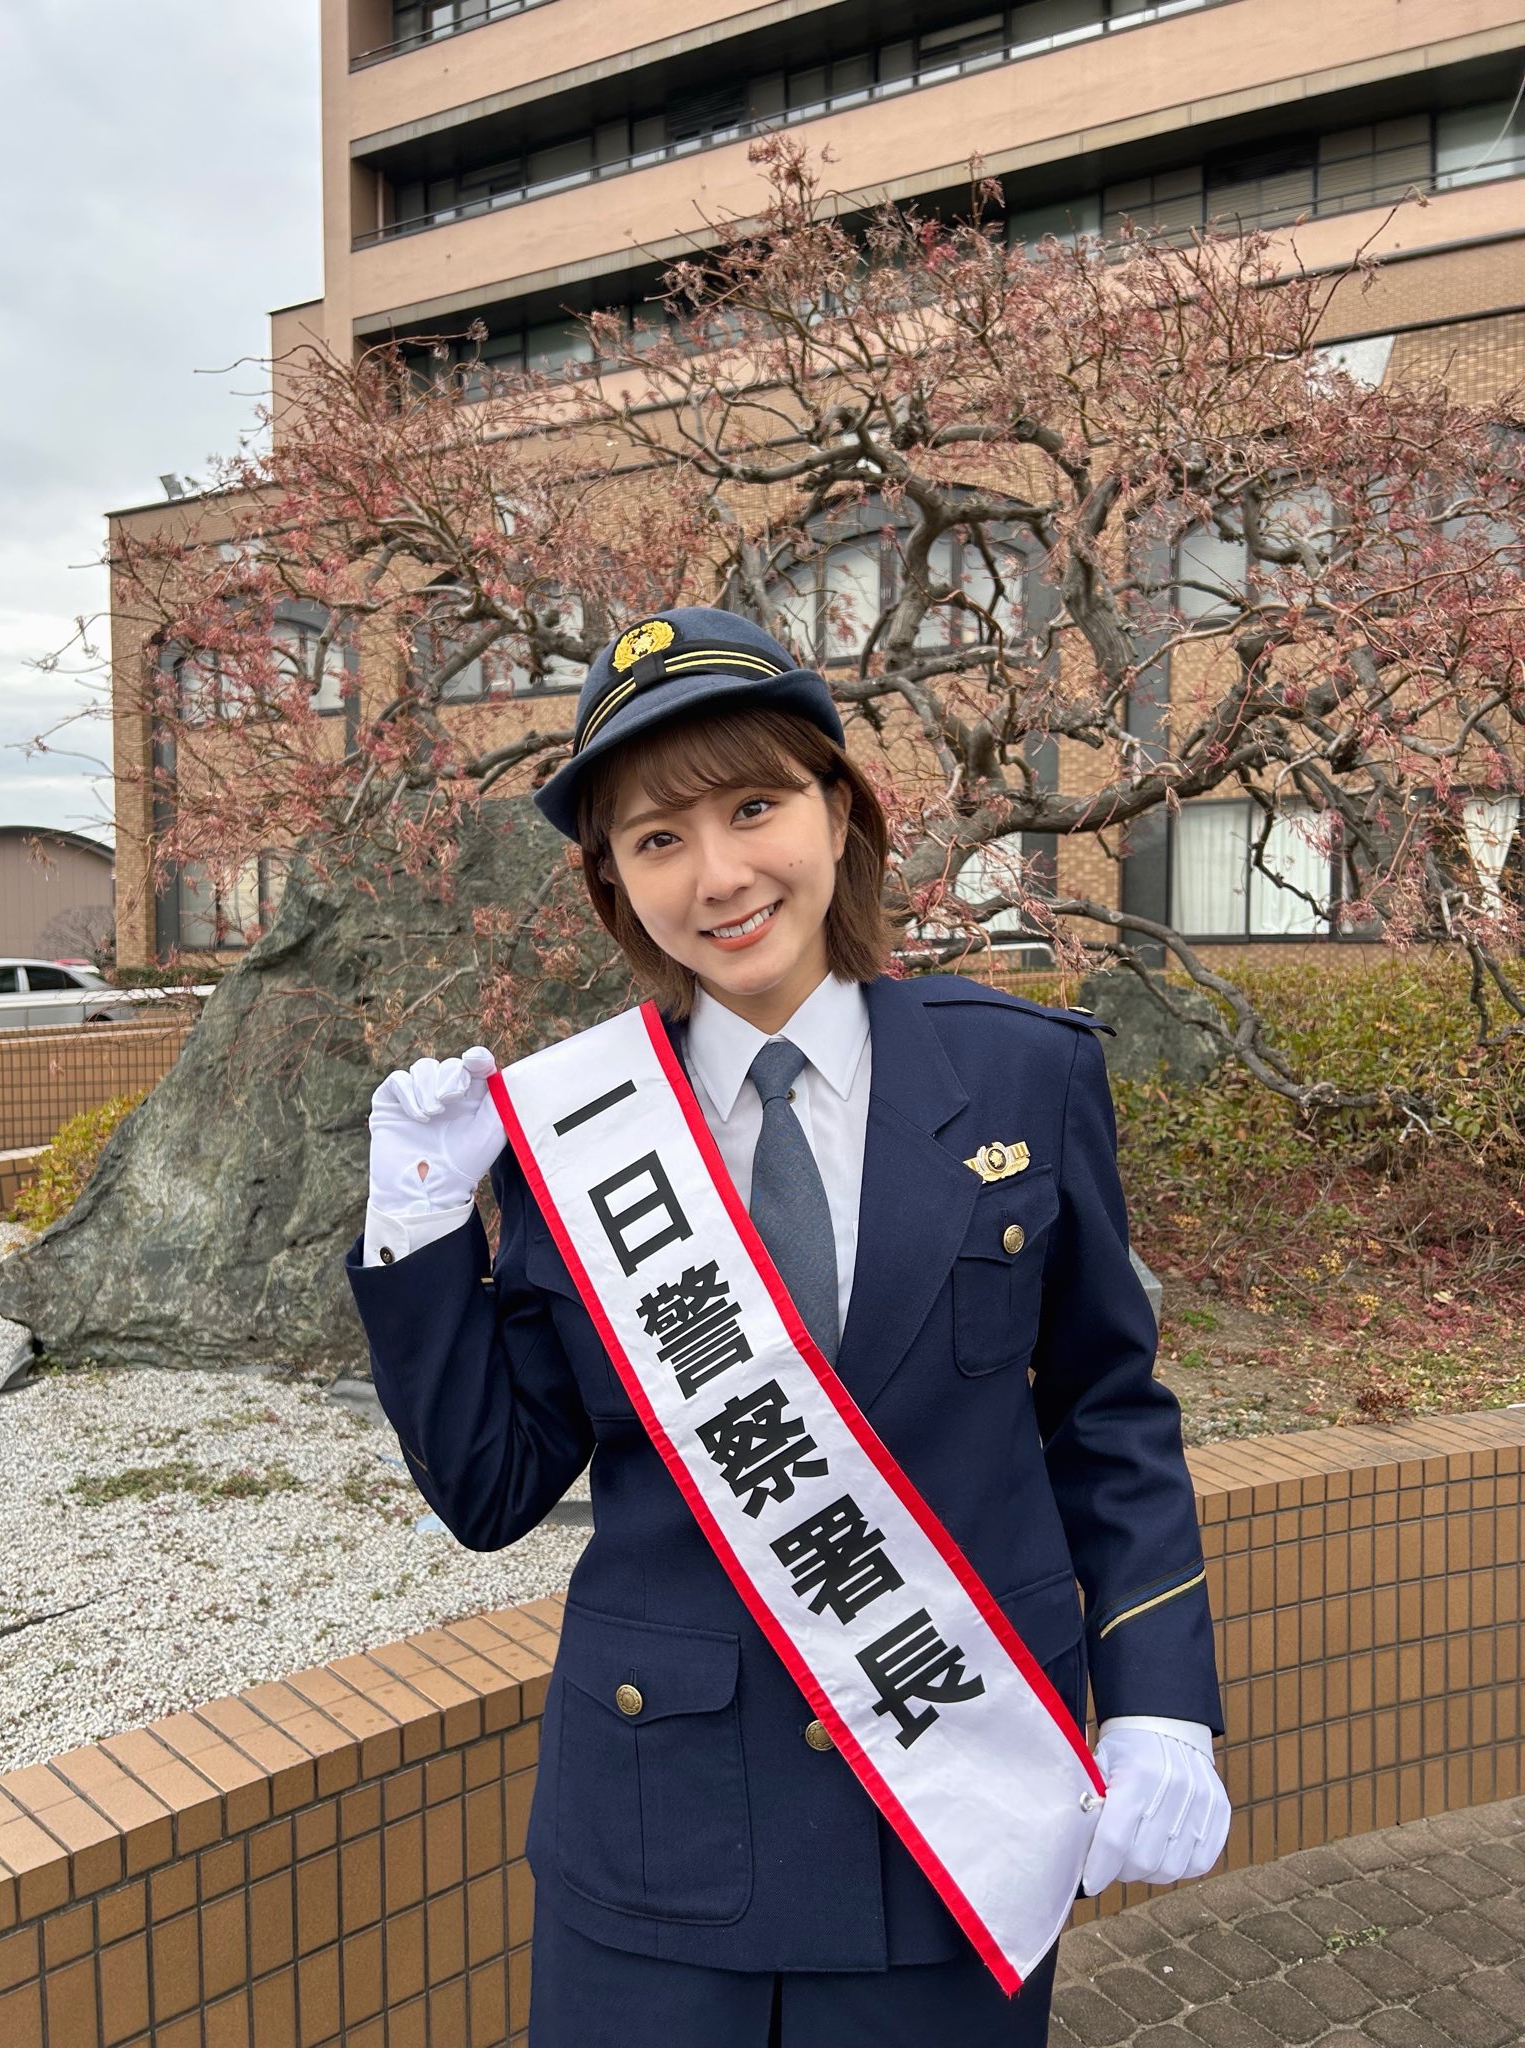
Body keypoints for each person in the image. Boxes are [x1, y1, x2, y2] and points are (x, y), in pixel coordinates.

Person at [346, 606, 1229, 2048]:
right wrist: (421, 1231)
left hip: (947, 1813)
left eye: (754, 807)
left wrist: (1159, 1696)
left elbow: (1107, 1416)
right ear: (613, 882)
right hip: (657, 1838)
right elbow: (493, 1490)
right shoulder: (579, 1135)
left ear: (841, 811)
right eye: (658, 838)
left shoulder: (1023, 1075)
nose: (719, 875)